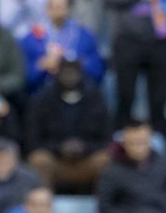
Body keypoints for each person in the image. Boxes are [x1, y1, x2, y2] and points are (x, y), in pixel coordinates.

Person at [24, 58, 110, 193]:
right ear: (58, 73)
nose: (70, 76)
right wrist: (58, 148)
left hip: (87, 161)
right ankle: (42, 211)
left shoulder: (95, 99)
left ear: (81, 74)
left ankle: (104, 210)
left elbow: (107, 139)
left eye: (74, 72)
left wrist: (86, 147)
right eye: (66, 71)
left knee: (106, 160)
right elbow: (32, 139)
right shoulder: (43, 99)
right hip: (56, 161)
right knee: (38, 160)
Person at [107, 0, 166, 131]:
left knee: (159, 98)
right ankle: (121, 139)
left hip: (163, 39)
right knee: (125, 95)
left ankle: (158, 142)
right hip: (128, 39)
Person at [20, 0, 104, 94]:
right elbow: (22, 78)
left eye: (61, 6)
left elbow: (97, 71)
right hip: (43, 94)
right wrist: (42, 65)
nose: (57, 10)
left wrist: (73, 62)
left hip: (78, 93)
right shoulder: (31, 39)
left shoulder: (84, 36)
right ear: (47, 8)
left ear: (69, 9)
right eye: (54, 6)